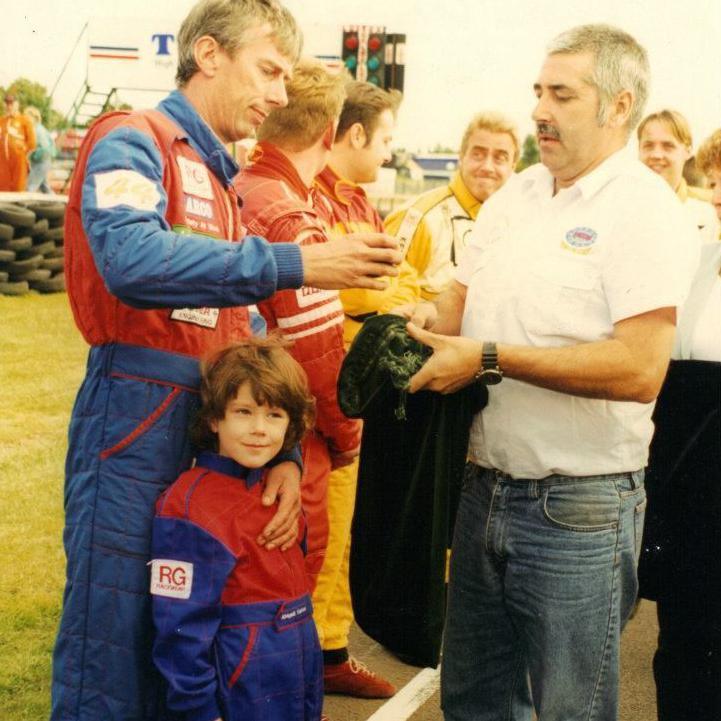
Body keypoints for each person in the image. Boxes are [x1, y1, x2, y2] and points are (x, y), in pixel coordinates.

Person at [52, 1, 401, 720]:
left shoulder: (219, 177)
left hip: (208, 439)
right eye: (268, 71)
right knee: (110, 652)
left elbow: (243, 340)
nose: (279, 95)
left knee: (193, 647)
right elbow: (129, 256)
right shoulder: (131, 138)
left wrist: (281, 452)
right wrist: (297, 260)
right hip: (132, 423)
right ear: (208, 55)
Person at [399, 24, 699, 721]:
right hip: (482, 489)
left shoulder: (644, 209)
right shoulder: (516, 196)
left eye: (561, 94)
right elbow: (458, 302)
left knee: (570, 708)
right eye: (538, 91)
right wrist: (405, 322)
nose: (540, 109)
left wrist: (489, 359)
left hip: (578, 510)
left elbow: (639, 368)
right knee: (473, 701)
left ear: (617, 106)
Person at [234, 58, 362, 591]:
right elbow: (321, 360)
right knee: (284, 594)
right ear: (329, 133)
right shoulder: (295, 218)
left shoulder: (233, 187)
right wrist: (350, 437)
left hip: (230, 430)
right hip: (288, 442)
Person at [311, 80, 419, 699]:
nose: (387, 154)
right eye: (384, 140)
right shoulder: (312, 196)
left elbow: (395, 284)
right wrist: (385, 298)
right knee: (319, 525)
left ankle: (331, 644)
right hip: (322, 381)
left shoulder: (359, 201)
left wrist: (387, 299)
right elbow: (347, 286)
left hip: (359, 383)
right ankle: (314, 653)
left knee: (345, 523)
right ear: (355, 134)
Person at [151, 337, 322, 721]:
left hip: (297, 666)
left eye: (274, 415)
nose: (259, 429)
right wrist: (200, 711)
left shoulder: (277, 488)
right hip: (241, 683)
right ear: (215, 418)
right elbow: (179, 630)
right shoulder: (189, 508)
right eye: (243, 412)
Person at [640, 127, 721, 721]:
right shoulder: (702, 256)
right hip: (690, 483)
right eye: (714, 181)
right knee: (684, 649)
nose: (715, 195)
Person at [385, 112, 519, 300]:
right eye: (478, 154)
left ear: (513, 166)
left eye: (500, 158)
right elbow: (380, 304)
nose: (488, 166)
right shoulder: (419, 218)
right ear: (461, 157)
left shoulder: (519, 227)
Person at [638, 109, 719, 243]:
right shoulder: (619, 205)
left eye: (668, 146)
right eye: (648, 146)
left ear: (687, 151)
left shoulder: (711, 211)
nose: (656, 155)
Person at [0, 93, 36, 191]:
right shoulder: (1, 121)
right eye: (7, 103)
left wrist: (21, 153)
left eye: (11, 103)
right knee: (3, 189)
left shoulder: (24, 120)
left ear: (17, 104)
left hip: (18, 162)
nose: (9, 106)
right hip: (3, 163)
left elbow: (32, 143)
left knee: (18, 189)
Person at [24, 105, 55, 193]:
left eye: (28, 117)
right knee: (45, 188)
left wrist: (33, 156)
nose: (26, 119)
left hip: (41, 163)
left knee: (29, 187)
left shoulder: (38, 130)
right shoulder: (37, 129)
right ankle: (57, 204)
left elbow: (45, 149)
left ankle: (23, 206)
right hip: (41, 163)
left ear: (35, 118)